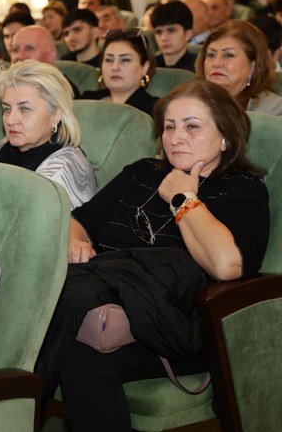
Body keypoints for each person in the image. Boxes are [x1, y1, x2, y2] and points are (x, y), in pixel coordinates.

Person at [36, 80, 270, 431]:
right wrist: (76, 242)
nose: (176, 137)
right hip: (104, 304)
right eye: (169, 127)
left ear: (225, 135)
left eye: (192, 127)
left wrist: (184, 200)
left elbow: (228, 265)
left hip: (180, 324)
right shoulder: (142, 172)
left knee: (79, 357)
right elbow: (79, 221)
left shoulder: (242, 189)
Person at [0, 60, 95, 208]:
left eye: (25, 109)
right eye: (7, 109)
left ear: (56, 115)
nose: (10, 120)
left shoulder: (63, 170)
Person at [196, 20, 282, 115]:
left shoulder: (273, 110)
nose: (216, 63)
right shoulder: (191, 101)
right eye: (211, 55)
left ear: (253, 66)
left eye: (228, 55)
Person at [81, 28, 158, 116]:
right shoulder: (86, 99)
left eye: (125, 60)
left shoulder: (155, 109)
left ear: (145, 67)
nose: (115, 67)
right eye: (109, 60)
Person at [150, 0, 197, 72]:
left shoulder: (198, 67)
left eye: (171, 30)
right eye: (158, 32)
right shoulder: (148, 67)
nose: (163, 38)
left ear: (188, 34)